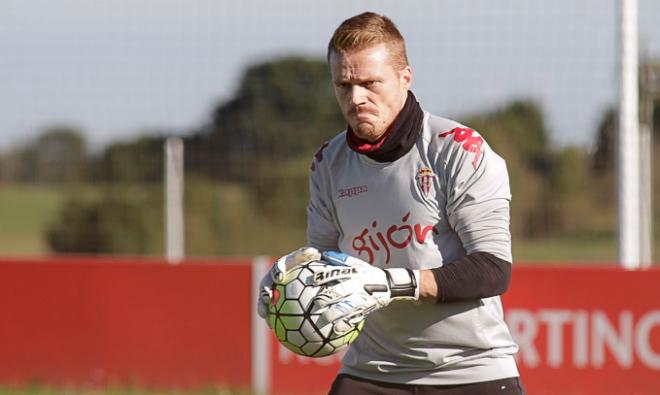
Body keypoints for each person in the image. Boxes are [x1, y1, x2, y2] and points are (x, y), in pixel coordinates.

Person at [259, 12, 524, 395]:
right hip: (372, 372)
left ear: (405, 78)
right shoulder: (327, 164)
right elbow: (322, 260)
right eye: (343, 85)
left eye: (369, 83)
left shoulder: (458, 149)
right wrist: (287, 281)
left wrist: (391, 284)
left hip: (471, 372)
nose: (356, 98)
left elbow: (493, 269)